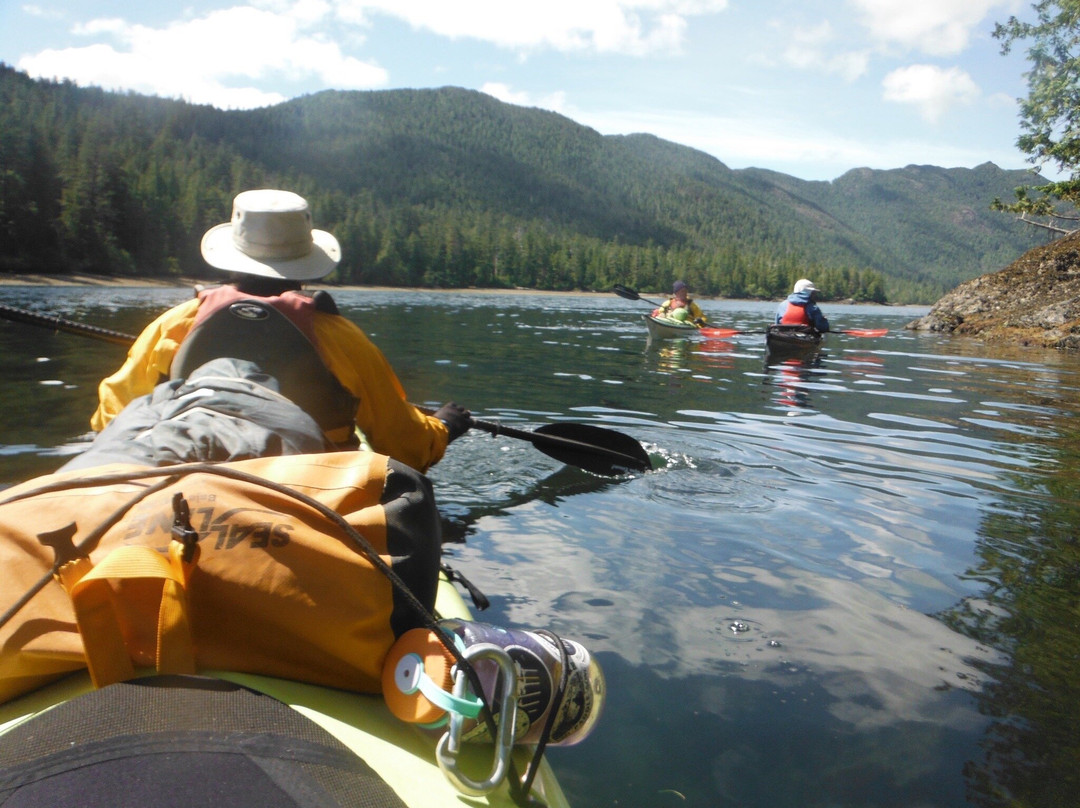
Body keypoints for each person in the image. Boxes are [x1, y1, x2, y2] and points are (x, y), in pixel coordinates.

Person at [90, 189, 470, 473]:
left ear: (231, 256)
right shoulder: (339, 336)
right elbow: (404, 446)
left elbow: (112, 414)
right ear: (307, 264)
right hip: (307, 488)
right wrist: (443, 427)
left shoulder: (176, 323)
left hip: (188, 478)